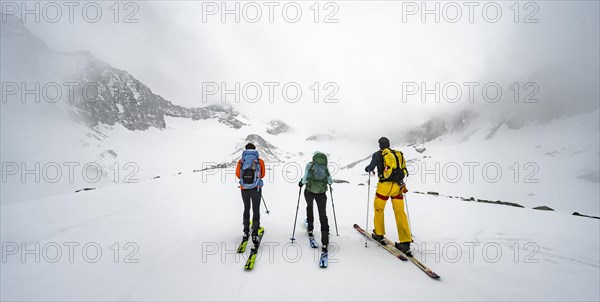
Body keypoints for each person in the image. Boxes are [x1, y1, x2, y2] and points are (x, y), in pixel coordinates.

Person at [364, 137, 412, 254]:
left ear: (380, 145)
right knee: (400, 212)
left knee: (379, 209)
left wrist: (368, 169)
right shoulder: (397, 154)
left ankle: (379, 234)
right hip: (397, 187)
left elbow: (370, 167)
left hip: (384, 187)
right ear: (389, 144)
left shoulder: (377, 154)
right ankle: (405, 242)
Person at [298, 151, 333, 253]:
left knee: (310, 207)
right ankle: (325, 240)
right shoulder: (325, 166)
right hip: (322, 193)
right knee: (323, 214)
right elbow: (330, 181)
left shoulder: (309, 165)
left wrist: (301, 183)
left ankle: (310, 228)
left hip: (309, 191)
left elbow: (305, 179)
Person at [235, 143, 266, 244]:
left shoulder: (241, 161)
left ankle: (245, 231)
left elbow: (238, 175)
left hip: (244, 188)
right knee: (256, 209)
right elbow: (262, 175)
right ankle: (255, 233)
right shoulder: (259, 161)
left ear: (245, 150)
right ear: (255, 150)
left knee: (246, 208)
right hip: (256, 188)